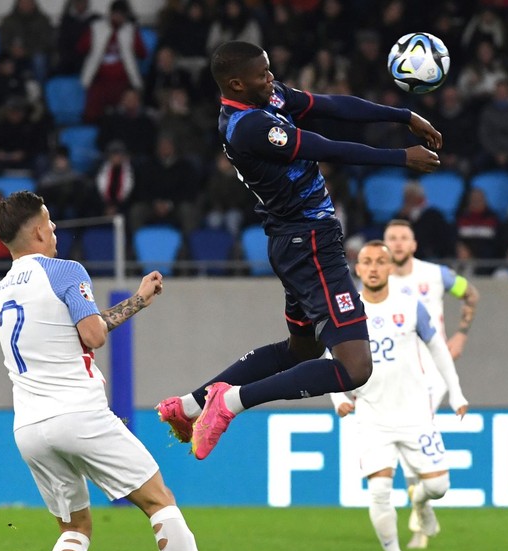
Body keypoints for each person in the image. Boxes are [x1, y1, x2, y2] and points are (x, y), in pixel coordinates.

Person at [0, 191, 256, 551]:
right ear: (36, 230)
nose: (54, 231)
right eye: (49, 224)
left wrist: (130, 301)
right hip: (79, 414)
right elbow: (91, 335)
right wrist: (138, 303)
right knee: (158, 499)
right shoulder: (65, 271)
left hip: (29, 427)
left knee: (74, 527)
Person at [156, 40, 442, 460]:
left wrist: (403, 115)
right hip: (310, 243)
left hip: (292, 242)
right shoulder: (248, 127)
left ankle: (188, 406)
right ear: (236, 83)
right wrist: (402, 157)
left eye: (269, 70)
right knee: (355, 367)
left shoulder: (265, 96)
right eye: (262, 74)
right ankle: (229, 402)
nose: (271, 79)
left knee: (303, 349)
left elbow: (330, 105)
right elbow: (326, 148)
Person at [332, 242, 468, 551]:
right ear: (358, 269)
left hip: (415, 414)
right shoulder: (346, 311)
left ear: (391, 267)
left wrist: (456, 392)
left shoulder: (411, 307)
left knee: (439, 487)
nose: (374, 267)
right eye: (367, 262)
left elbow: (438, 350)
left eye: (381, 261)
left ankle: (420, 501)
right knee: (379, 490)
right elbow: (327, 356)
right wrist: (338, 398)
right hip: (371, 415)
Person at [383, 219, 479, 549]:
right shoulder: (376, 282)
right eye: (391, 238)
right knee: (409, 438)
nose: (397, 243)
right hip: (394, 372)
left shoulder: (437, 275)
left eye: (403, 238)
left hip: (433, 370)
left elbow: (470, 294)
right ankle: (422, 505)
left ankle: (422, 509)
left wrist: (461, 334)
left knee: (415, 429)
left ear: (413, 245)